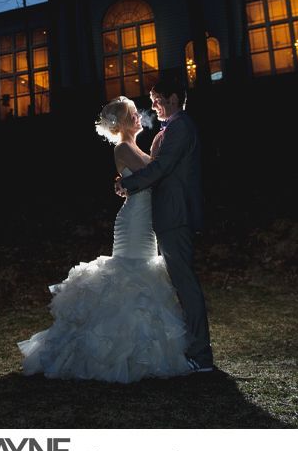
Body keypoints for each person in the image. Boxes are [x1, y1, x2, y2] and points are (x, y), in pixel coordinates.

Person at [16, 96, 192, 383]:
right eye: (134, 114)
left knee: (142, 277)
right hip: (134, 221)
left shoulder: (133, 146)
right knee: (131, 277)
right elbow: (155, 174)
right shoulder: (124, 147)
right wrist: (160, 151)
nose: (139, 117)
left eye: (138, 113)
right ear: (122, 122)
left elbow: (150, 173)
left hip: (145, 221)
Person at [115, 75, 215, 372]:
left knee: (185, 284)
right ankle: (191, 349)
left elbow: (162, 168)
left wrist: (128, 184)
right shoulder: (170, 128)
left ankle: (201, 356)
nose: (154, 106)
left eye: (158, 100)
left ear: (173, 99)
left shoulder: (181, 126)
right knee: (179, 283)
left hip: (176, 215)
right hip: (168, 215)